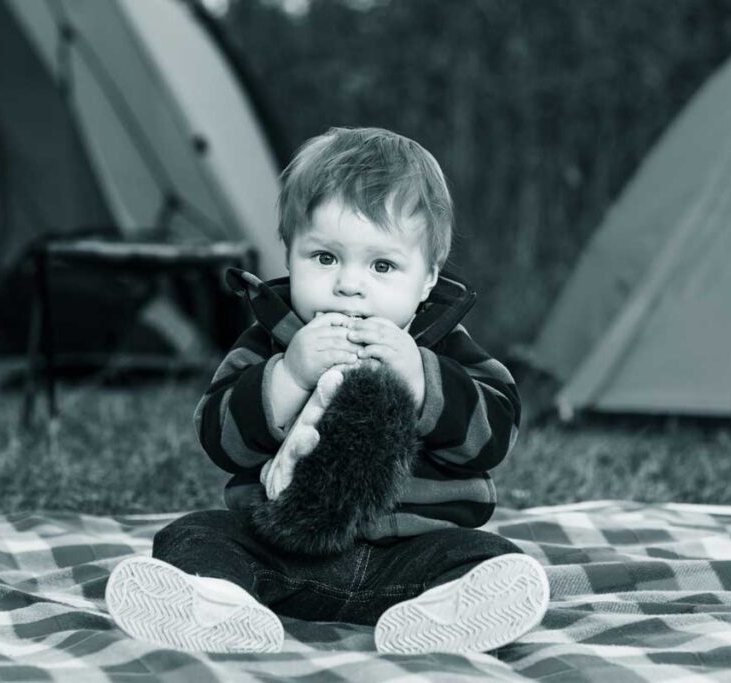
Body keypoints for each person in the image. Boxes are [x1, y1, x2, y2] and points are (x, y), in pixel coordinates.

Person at [105, 127, 549, 655]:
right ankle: (221, 607)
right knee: (191, 536)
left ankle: (442, 614)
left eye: (382, 265)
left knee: (491, 557)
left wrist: (421, 380)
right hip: (281, 554)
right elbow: (217, 435)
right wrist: (288, 378)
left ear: (427, 279)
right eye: (325, 258)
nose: (349, 285)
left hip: (411, 553)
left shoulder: (443, 349)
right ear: (289, 256)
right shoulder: (272, 340)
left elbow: (496, 434)